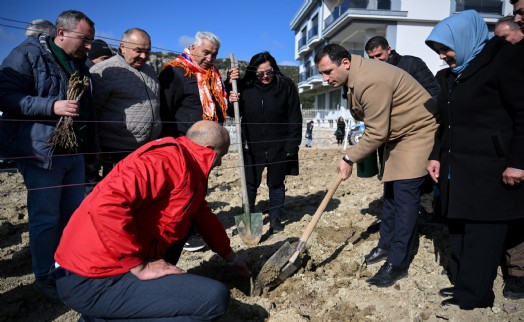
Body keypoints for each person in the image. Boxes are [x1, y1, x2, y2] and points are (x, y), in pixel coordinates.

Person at [53, 120, 251, 321]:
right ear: (209, 150)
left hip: (104, 266)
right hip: (91, 275)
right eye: (221, 156)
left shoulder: (188, 166)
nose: (220, 164)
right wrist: (139, 266)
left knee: (184, 232)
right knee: (213, 301)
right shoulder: (164, 161)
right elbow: (106, 205)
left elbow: (203, 216)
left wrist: (231, 258)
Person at [315, 44, 438, 287]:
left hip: (418, 132)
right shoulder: (354, 76)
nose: (325, 78)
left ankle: (398, 263)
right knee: (390, 194)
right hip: (398, 133)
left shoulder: (369, 80)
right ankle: (385, 245)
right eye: (322, 73)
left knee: (404, 198)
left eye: (328, 71)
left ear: (345, 63)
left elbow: (377, 132)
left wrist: (349, 157)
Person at [425, 9, 524, 309]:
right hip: (459, 164)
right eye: (439, 51)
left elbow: (522, 113)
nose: (442, 56)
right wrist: (436, 155)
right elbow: (449, 120)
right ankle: (464, 286)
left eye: (445, 49)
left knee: (482, 233)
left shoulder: (504, 60)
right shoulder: (459, 71)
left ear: (465, 38)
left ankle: (475, 297)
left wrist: (519, 161)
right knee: (460, 231)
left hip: (491, 166)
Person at [0, 10, 97, 300]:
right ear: (62, 33)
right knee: (46, 217)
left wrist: (90, 149)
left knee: (73, 216)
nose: (89, 46)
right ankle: (45, 276)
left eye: (91, 40)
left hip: (74, 152)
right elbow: (5, 95)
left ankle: (68, 268)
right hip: (43, 152)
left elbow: (88, 110)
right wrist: (51, 107)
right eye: (85, 39)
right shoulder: (28, 55)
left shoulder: (80, 63)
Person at [229, 52, 302, 234]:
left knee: (276, 183)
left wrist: (292, 145)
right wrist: (231, 98)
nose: (265, 77)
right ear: (254, 72)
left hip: (280, 144)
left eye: (268, 72)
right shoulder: (244, 87)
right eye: (260, 74)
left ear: (274, 69)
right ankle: (249, 216)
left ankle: (275, 218)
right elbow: (232, 112)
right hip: (251, 145)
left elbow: (295, 117)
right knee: (250, 183)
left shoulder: (285, 86)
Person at [90, 28, 161, 177]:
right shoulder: (104, 70)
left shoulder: (150, 71)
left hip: (146, 151)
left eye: (147, 51)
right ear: (122, 46)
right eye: (138, 50)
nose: (144, 56)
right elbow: (91, 112)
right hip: (114, 153)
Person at [159, 31, 235, 137]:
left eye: (214, 55)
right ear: (193, 47)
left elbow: (219, 105)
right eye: (206, 52)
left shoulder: (214, 76)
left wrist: (228, 84)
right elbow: (164, 113)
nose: (209, 59)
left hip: (211, 141)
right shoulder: (174, 72)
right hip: (185, 143)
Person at [365, 36, 440, 100]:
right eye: (371, 57)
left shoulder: (412, 63)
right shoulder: (371, 72)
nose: (376, 60)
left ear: (388, 50)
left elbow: (433, 91)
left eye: (379, 55)